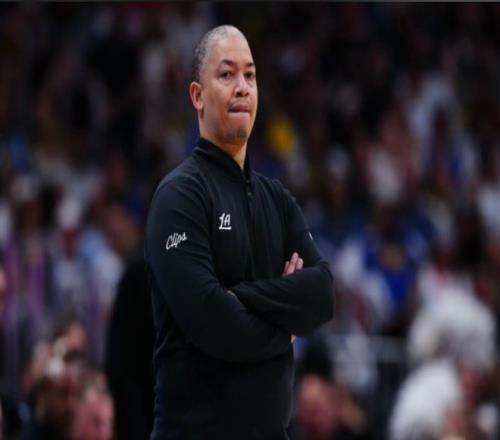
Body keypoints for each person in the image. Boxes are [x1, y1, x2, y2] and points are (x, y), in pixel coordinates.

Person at [145, 25, 334, 439]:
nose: (242, 87)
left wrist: (242, 296)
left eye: (250, 75)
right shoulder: (179, 196)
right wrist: (286, 326)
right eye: (227, 74)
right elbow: (210, 320)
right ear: (197, 95)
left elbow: (322, 295)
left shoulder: (278, 199)